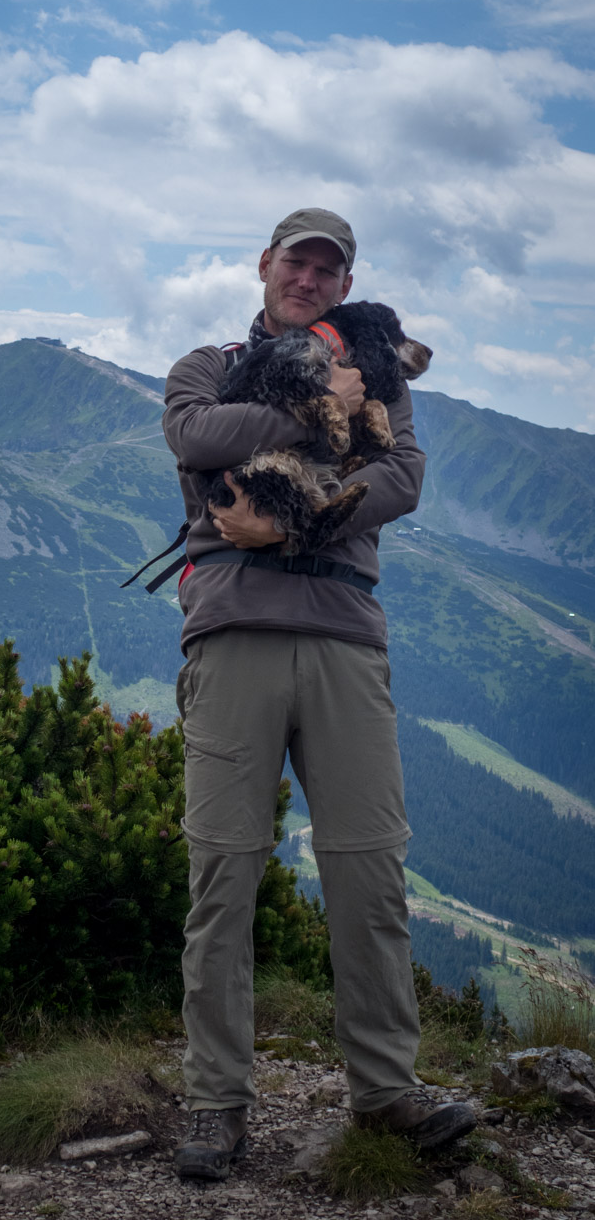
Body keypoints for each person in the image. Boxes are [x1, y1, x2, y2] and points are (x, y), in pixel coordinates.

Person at [162, 208, 475, 1181]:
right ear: (265, 265)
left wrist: (296, 524)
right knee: (222, 871)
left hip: (341, 630)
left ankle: (383, 1089)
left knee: (369, 866)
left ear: (344, 285)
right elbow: (196, 435)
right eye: (295, 260)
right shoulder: (204, 363)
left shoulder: (379, 373)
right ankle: (214, 1100)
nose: (307, 276)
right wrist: (314, 411)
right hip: (233, 632)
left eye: (326, 268)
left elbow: (403, 473)